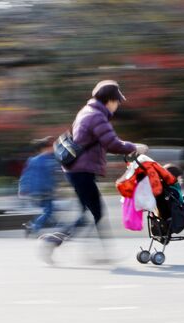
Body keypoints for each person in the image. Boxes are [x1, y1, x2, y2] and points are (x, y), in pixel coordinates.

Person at [38, 80, 148, 263]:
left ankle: (67, 245)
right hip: (82, 171)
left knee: (87, 213)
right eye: (117, 101)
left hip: (76, 170)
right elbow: (112, 143)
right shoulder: (97, 116)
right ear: (109, 100)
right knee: (96, 212)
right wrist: (135, 146)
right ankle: (62, 244)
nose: (118, 105)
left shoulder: (86, 112)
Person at [18, 136, 59, 237]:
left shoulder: (32, 160)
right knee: (48, 211)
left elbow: (25, 175)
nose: (53, 149)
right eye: (51, 147)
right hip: (44, 190)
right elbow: (55, 174)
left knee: (48, 211)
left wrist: (23, 189)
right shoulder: (49, 160)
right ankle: (33, 227)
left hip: (36, 190)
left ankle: (33, 225)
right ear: (44, 148)